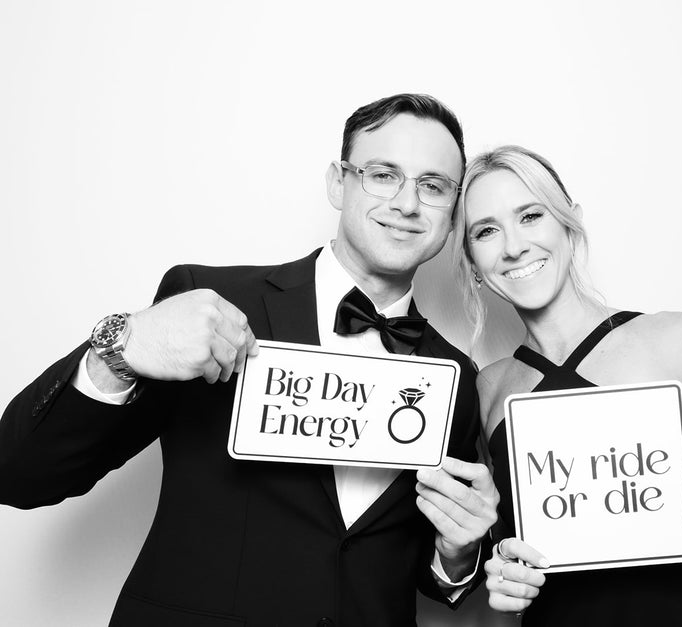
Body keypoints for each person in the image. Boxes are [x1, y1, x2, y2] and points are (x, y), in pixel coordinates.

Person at [0, 94, 498, 627]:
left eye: (433, 186)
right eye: (383, 175)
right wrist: (122, 348)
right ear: (338, 183)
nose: (407, 203)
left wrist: (458, 556)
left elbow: (409, 561)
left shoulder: (455, 377)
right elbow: (20, 474)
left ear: (452, 213)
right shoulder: (209, 304)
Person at [452, 145, 682, 625]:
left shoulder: (679, 340)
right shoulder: (487, 387)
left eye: (531, 216)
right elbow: (508, 537)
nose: (513, 246)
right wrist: (502, 567)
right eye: (486, 231)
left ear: (570, 223)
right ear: (472, 260)